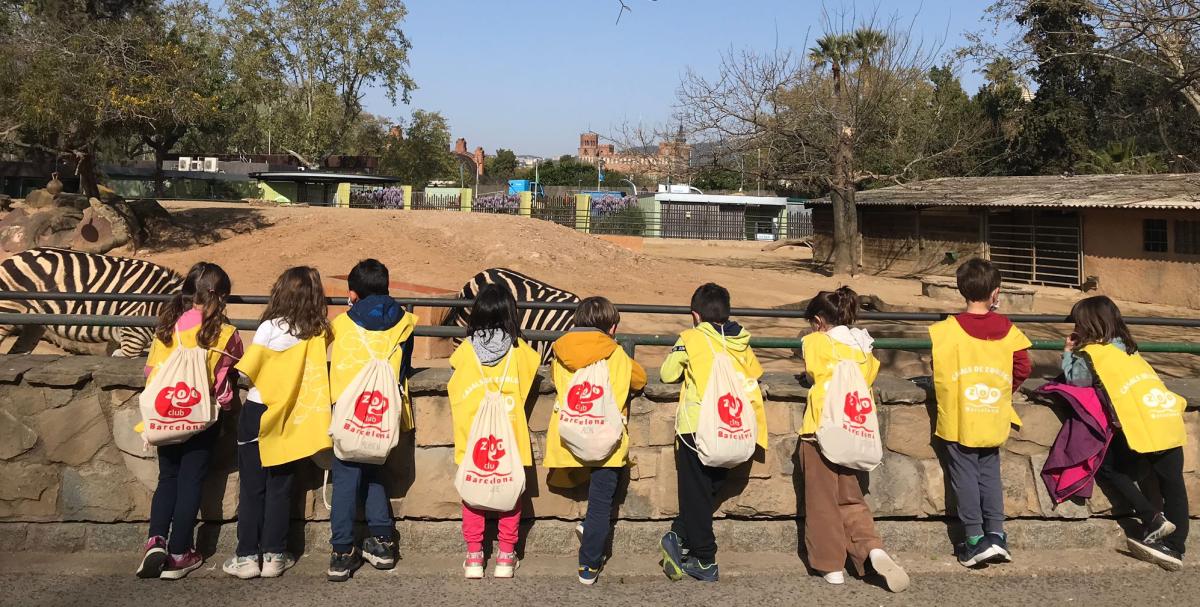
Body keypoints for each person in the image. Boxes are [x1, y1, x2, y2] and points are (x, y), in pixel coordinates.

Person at [224, 267, 335, 579]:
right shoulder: (319, 332)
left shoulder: (268, 328)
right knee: (280, 486)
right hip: (291, 415)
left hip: (259, 411)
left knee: (252, 487)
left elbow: (247, 373)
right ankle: (274, 554)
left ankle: (246, 556)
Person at [1063, 295, 1188, 571]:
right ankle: (1176, 545)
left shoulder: (1091, 354)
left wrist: (1069, 352)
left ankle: (1151, 517)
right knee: (1174, 484)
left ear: (1088, 325)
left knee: (1108, 468)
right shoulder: (1130, 349)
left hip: (1141, 426)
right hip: (1166, 417)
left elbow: (1076, 381)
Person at [136, 262, 243, 580]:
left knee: (167, 479)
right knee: (191, 481)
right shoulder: (225, 334)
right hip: (199, 421)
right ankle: (180, 552)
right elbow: (223, 387)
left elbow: (151, 372)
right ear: (220, 297)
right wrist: (228, 406)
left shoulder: (168, 325)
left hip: (165, 416)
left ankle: (156, 541)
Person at [799, 287, 908, 592]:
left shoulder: (815, 342)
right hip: (854, 430)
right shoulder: (864, 347)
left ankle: (831, 565)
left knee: (822, 501)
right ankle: (872, 548)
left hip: (820, 430)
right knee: (851, 497)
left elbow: (812, 373)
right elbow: (868, 377)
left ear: (819, 320)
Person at [658, 283, 766, 583]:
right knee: (707, 491)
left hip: (696, 428)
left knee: (695, 492)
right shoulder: (741, 340)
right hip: (734, 429)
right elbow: (755, 373)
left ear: (695, 315)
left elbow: (668, 374)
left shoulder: (690, 338)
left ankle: (705, 559)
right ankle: (678, 535)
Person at [930, 258, 1031, 567]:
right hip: (993, 413)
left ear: (961, 290)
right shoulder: (1008, 328)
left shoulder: (946, 329)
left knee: (965, 476)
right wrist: (1002, 392)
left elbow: (939, 368)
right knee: (989, 475)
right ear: (995, 293)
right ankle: (997, 535)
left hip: (961, 416)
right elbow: (1023, 367)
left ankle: (974, 539)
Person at [543, 296, 647, 585]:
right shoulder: (616, 355)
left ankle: (589, 531)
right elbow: (640, 380)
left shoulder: (560, 350)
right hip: (607, 443)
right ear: (612, 329)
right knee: (601, 504)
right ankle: (588, 566)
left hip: (571, 438)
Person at [326, 259, 417, 581]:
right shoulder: (406, 322)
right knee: (376, 472)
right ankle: (382, 543)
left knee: (346, 478)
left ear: (352, 293)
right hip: (385, 413)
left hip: (349, 413)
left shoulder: (341, 324)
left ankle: (341, 551)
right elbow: (405, 364)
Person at [447, 284, 540, 579]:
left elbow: (454, 373)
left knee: (473, 495)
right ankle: (506, 556)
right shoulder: (521, 353)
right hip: (509, 440)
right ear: (511, 313)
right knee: (510, 497)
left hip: (472, 439)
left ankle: (474, 556)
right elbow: (533, 369)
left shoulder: (464, 352)